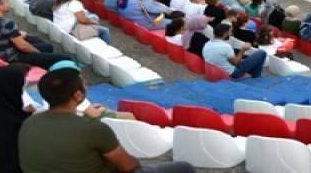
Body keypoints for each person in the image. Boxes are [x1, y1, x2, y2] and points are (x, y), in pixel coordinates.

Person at [19, 62, 193, 173]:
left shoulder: (29, 122)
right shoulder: (92, 128)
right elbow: (129, 166)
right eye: (83, 82)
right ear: (78, 95)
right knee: (184, 168)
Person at [0, 0, 72, 68]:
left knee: (47, 46)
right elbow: (23, 47)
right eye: (6, 1)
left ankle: (46, 66)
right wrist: (38, 54)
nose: (9, 4)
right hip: (12, 57)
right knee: (64, 58)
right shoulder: (5, 23)